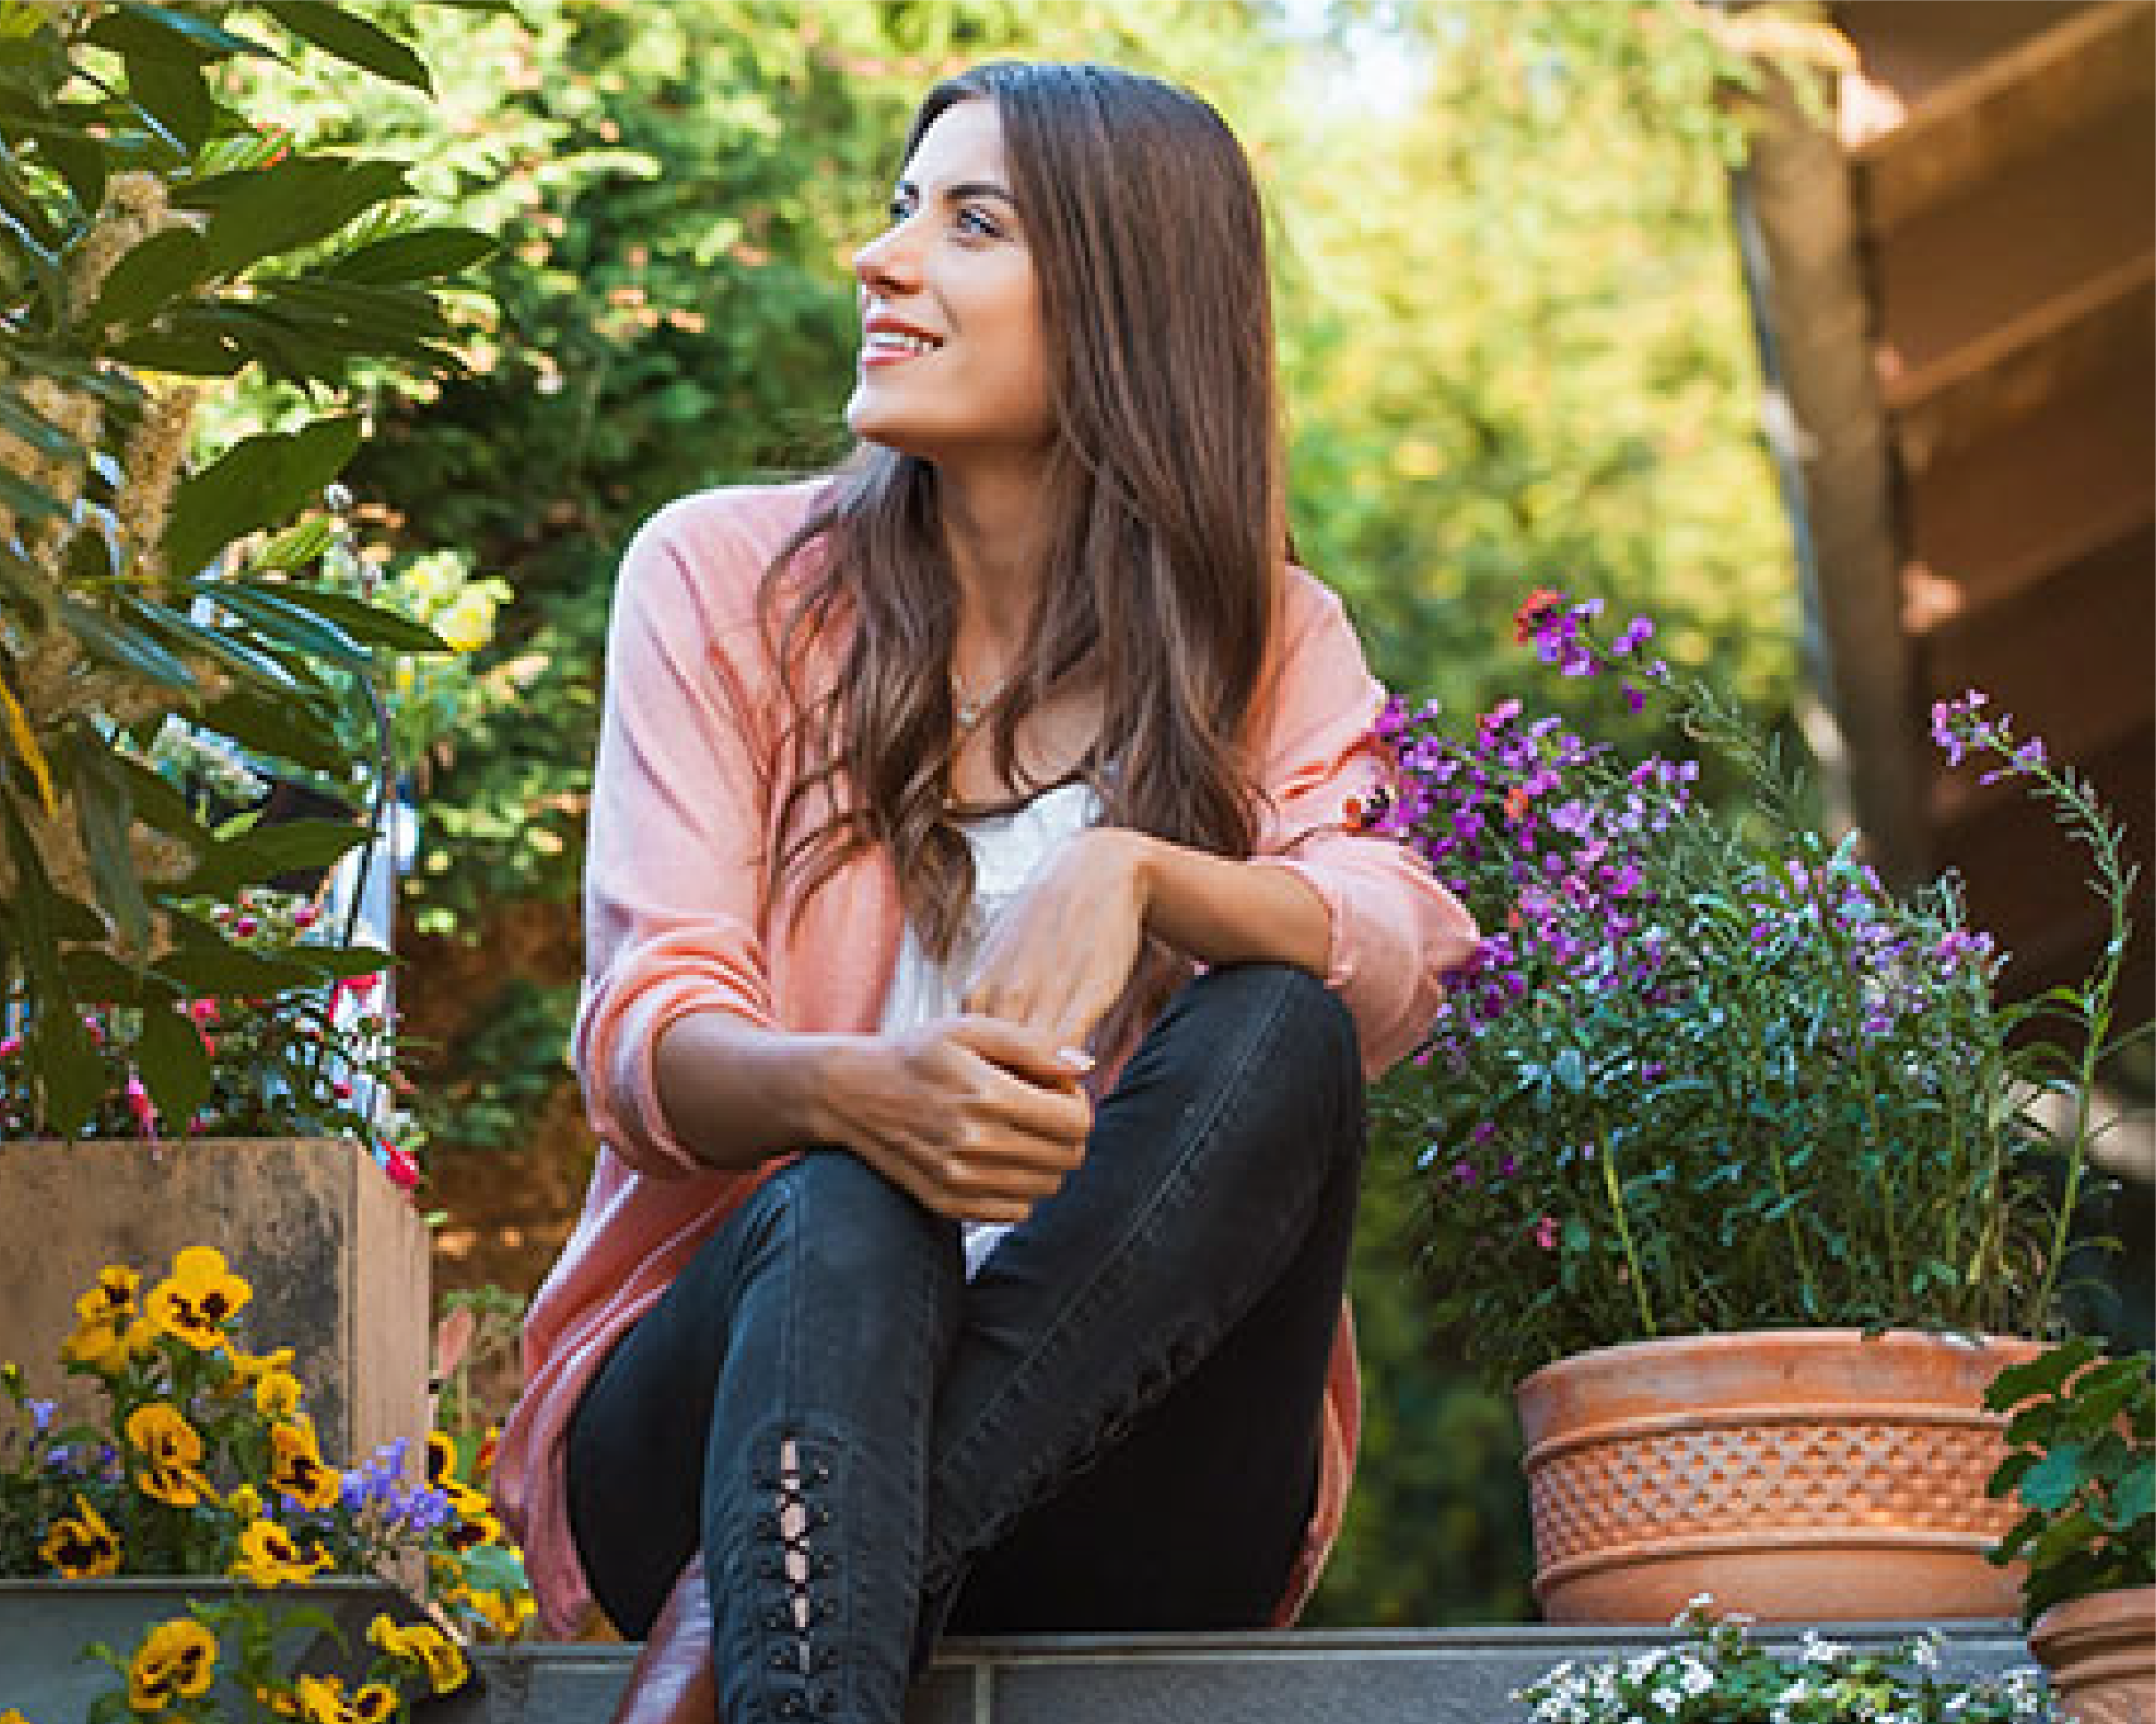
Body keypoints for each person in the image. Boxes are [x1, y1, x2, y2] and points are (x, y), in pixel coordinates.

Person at [480, 60, 1482, 1724]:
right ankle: (788, 1628)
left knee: (1277, 1028)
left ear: (1119, 297)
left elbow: (1401, 949)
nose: (882, 261)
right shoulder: (724, 581)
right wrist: (864, 1095)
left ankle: (742, 1641)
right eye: (897, 211)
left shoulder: (1269, 639)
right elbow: (644, 1037)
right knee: (850, 1193)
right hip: (739, 1417)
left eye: (968, 224)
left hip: (1127, 1474)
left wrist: (1146, 872)